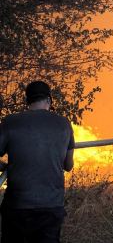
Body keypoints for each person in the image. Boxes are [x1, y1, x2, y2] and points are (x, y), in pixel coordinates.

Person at [0, 81, 75, 243]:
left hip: (17, 206)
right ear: (49, 100)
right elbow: (68, 166)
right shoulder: (64, 124)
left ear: (27, 101)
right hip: (51, 206)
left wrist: (5, 167)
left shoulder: (10, 122)